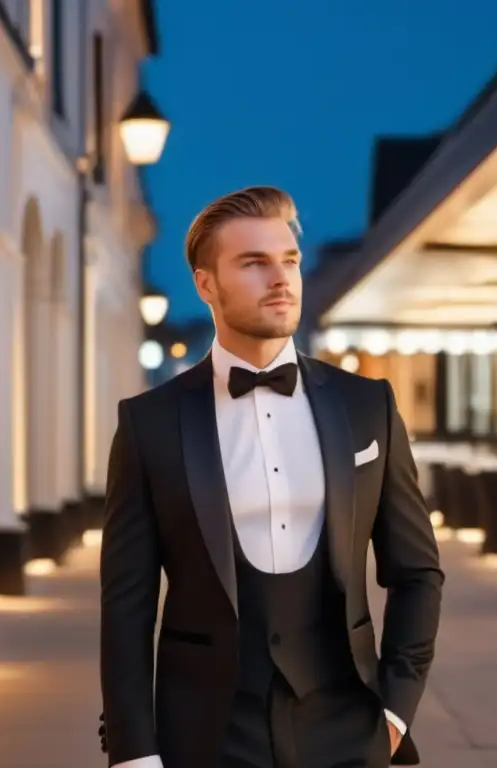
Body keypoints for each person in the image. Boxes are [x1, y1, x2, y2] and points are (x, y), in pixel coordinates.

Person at [99, 186, 443, 768]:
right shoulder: (149, 424)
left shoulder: (368, 407)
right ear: (206, 285)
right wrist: (135, 751)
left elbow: (417, 571)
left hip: (348, 727)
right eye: (254, 263)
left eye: (288, 261)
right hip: (205, 732)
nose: (280, 279)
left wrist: (395, 712)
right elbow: (126, 603)